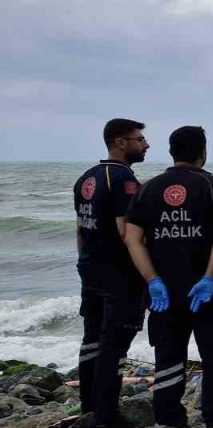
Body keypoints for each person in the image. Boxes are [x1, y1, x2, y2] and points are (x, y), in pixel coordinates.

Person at [124, 127, 213, 428]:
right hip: (210, 292)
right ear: (203, 151)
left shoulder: (147, 189)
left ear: (172, 151)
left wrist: (152, 280)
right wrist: (210, 278)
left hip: (166, 292)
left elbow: (132, 239)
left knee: (168, 356)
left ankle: (168, 419)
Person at [73, 118, 149, 428]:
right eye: (139, 139)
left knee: (92, 339)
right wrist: (149, 270)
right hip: (119, 274)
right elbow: (125, 230)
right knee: (114, 345)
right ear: (120, 142)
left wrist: (84, 263)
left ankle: (89, 408)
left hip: (91, 269)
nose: (145, 144)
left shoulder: (86, 178)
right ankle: (105, 415)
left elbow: (80, 228)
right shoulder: (123, 180)